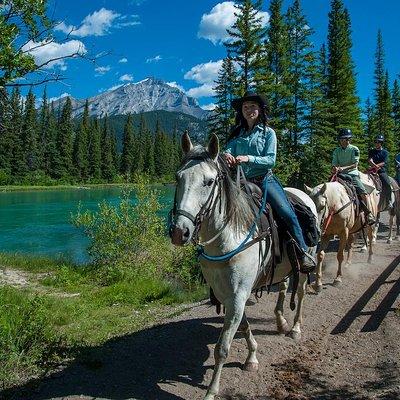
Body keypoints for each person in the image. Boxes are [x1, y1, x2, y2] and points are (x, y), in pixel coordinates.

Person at [223, 91, 315, 271]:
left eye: (253, 106)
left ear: (260, 110)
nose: (249, 110)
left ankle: (303, 252)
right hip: (242, 181)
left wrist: (249, 158)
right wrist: (227, 155)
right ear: (241, 111)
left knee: (286, 212)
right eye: (245, 107)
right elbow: (228, 149)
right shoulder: (238, 134)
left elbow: (271, 160)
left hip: (265, 181)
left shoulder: (268, 133)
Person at [331, 128, 375, 225]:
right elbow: (334, 163)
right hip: (339, 175)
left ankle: (369, 214)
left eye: (344, 139)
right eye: (341, 139)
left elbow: (355, 164)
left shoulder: (354, 149)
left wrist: (343, 168)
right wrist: (334, 168)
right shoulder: (336, 151)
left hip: (352, 174)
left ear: (348, 140)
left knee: (363, 192)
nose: (342, 142)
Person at [368, 134, 393, 207]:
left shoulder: (385, 152)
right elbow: (370, 159)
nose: (376, 143)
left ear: (381, 143)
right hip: (372, 170)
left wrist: (377, 166)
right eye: (375, 142)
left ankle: (389, 201)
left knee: (387, 184)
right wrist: (374, 166)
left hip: (381, 171)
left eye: (378, 142)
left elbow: (384, 162)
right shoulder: (372, 151)